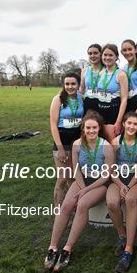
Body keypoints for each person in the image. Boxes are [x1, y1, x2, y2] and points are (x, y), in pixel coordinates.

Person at [44, 111, 114, 272]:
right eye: (88, 128)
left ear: (99, 128)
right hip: (82, 180)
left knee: (82, 204)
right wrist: (82, 187)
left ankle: (67, 249)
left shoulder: (107, 147)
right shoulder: (77, 145)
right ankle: (53, 247)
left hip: (99, 184)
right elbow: (76, 170)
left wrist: (86, 190)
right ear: (83, 128)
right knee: (67, 205)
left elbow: (106, 176)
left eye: (94, 128)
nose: (91, 131)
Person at [107, 112, 137, 273]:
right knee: (111, 202)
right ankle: (122, 236)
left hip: (134, 180)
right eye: (129, 123)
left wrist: (128, 186)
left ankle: (129, 249)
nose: (131, 127)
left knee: (131, 200)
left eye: (135, 124)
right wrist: (120, 184)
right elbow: (110, 167)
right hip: (117, 179)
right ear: (123, 124)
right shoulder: (115, 142)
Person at [49, 72, 84, 206]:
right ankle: (58, 210)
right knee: (63, 178)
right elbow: (53, 125)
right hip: (62, 141)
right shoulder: (58, 99)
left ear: (78, 85)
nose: (70, 87)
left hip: (76, 141)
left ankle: (71, 208)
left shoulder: (81, 98)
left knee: (73, 177)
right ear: (63, 85)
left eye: (73, 84)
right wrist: (60, 148)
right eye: (67, 84)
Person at [96, 44, 129, 141]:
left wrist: (118, 122)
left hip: (113, 113)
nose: (107, 57)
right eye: (105, 55)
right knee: (100, 142)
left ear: (116, 57)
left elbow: (124, 100)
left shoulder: (121, 74)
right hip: (100, 111)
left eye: (110, 55)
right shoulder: (101, 73)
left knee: (111, 142)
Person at [79, 44, 103, 114]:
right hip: (88, 104)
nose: (92, 56)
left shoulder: (106, 70)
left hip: (103, 104)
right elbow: (82, 89)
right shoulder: (84, 70)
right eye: (90, 53)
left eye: (95, 53)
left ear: (101, 54)